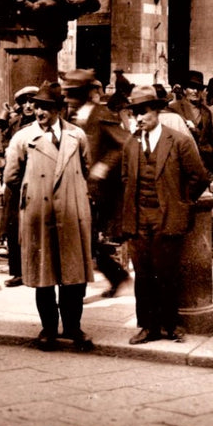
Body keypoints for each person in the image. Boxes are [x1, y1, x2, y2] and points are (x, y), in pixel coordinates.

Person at [3, 80, 95, 352]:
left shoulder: (77, 136)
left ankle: (73, 327)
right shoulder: (23, 137)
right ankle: (48, 329)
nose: (39, 111)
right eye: (37, 106)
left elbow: (87, 168)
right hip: (39, 214)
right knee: (43, 275)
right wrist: (33, 192)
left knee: (73, 274)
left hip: (71, 211)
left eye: (46, 107)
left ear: (59, 110)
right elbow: (11, 176)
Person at [120, 84, 210, 344]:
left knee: (166, 273)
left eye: (144, 112)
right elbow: (126, 178)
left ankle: (170, 325)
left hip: (167, 217)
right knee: (143, 274)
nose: (139, 118)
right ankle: (147, 326)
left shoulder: (178, 141)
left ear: (157, 112)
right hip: (139, 219)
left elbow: (199, 176)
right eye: (135, 113)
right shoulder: (131, 144)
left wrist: (181, 201)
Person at [81, 75, 133, 298]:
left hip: (100, 190)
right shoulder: (70, 115)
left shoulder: (101, 114)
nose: (69, 98)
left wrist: (102, 167)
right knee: (85, 240)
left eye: (73, 93)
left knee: (92, 240)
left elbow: (123, 144)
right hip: (78, 186)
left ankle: (117, 276)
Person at [0, 85, 39, 288]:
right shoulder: (14, 124)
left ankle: (35, 269)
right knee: (13, 228)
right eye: (24, 102)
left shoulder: (41, 124)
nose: (28, 106)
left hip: (34, 181)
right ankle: (17, 272)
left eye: (32, 102)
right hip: (14, 183)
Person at [168, 71, 213, 178]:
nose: (195, 91)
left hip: (205, 162)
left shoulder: (206, 112)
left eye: (198, 88)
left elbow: (210, 138)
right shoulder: (174, 109)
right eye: (192, 87)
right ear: (184, 90)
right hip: (184, 162)